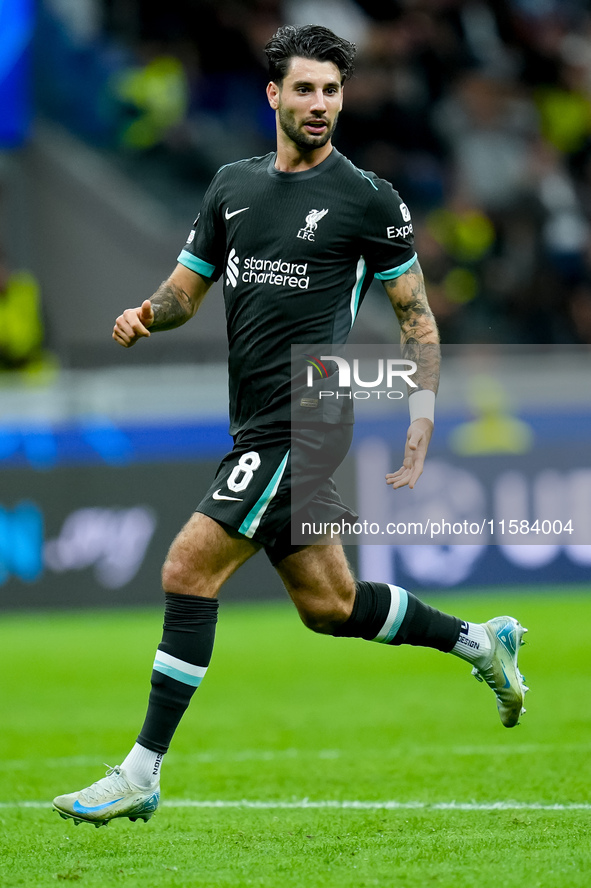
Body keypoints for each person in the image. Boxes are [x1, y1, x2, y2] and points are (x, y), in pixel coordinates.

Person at [53, 24, 528, 828]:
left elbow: (416, 316)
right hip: (262, 425)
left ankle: (140, 771)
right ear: (273, 95)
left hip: (300, 420)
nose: (320, 104)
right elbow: (186, 290)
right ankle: (479, 643)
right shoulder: (231, 186)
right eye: (304, 89)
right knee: (330, 606)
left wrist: (420, 413)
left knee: (186, 568)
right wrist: (146, 314)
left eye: (332, 90)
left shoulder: (366, 196)